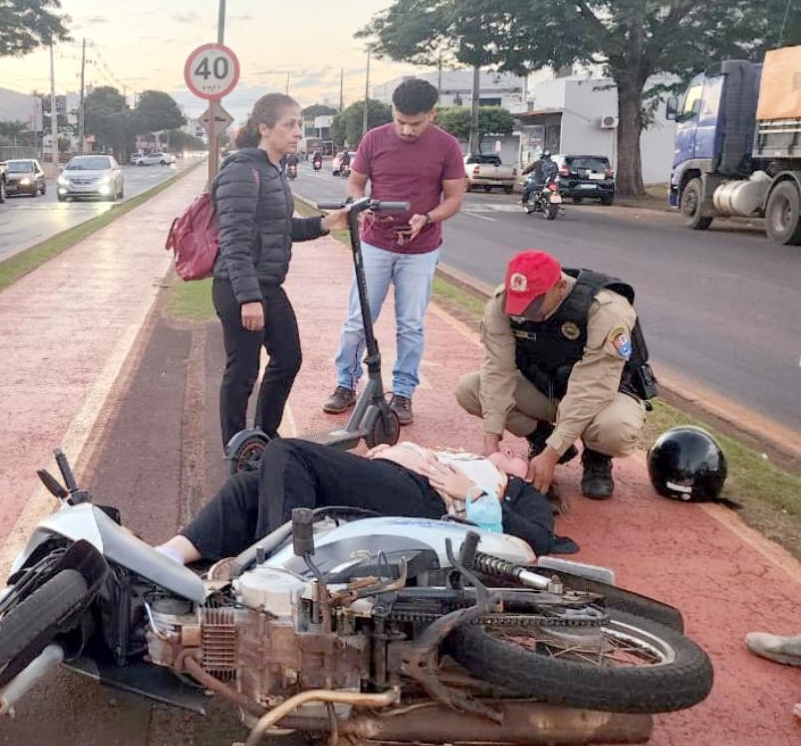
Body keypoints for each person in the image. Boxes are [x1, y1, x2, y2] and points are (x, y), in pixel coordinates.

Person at [154, 437, 567, 566]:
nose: (512, 448)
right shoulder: (466, 456)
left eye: (519, 456)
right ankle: (171, 555)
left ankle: (277, 565)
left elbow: (538, 540)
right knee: (252, 484)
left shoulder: (519, 493)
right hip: (390, 481)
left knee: (287, 453)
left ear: (525, 475)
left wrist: (473, 494)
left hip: (421, 500)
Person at [455, 250, 654, 501]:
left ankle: (597, 457)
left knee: (615, 429)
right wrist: (490, 441)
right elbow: (498, 370)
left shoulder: (606, 310)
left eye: (534, 303)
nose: (524, 312)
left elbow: (591, 388)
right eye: (519, 302)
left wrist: (552, 454)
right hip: (545, 387)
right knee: (471, 389)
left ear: (559, 287)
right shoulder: (502, 302)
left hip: (603, 395)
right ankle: (541, 437)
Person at [325, 78, 467, 425]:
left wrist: (427, 218)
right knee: (359, 319)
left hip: (420, 250)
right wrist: (361, 205)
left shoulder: (447, 147)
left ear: (432, 114)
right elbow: (356, 182)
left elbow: (454, 199)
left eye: (415, 123)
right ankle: (345, 384)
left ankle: (403, 393)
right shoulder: (374, 138)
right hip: (375, 243)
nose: (405, 129)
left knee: (411, 325)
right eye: (400, 120)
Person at [212, 93, 349, 447]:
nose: (298, 133)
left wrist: (324, 224)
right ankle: (236, 448)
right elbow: (234, 241)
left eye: (299, 125)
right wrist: (249, 299)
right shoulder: (242, 171)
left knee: (288, 359)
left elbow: (280, 229)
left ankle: (263, 438)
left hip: (269, 284)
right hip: (239, 286)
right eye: (290, 124)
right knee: (243, 373)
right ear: (264, 128)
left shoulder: (271, 170)